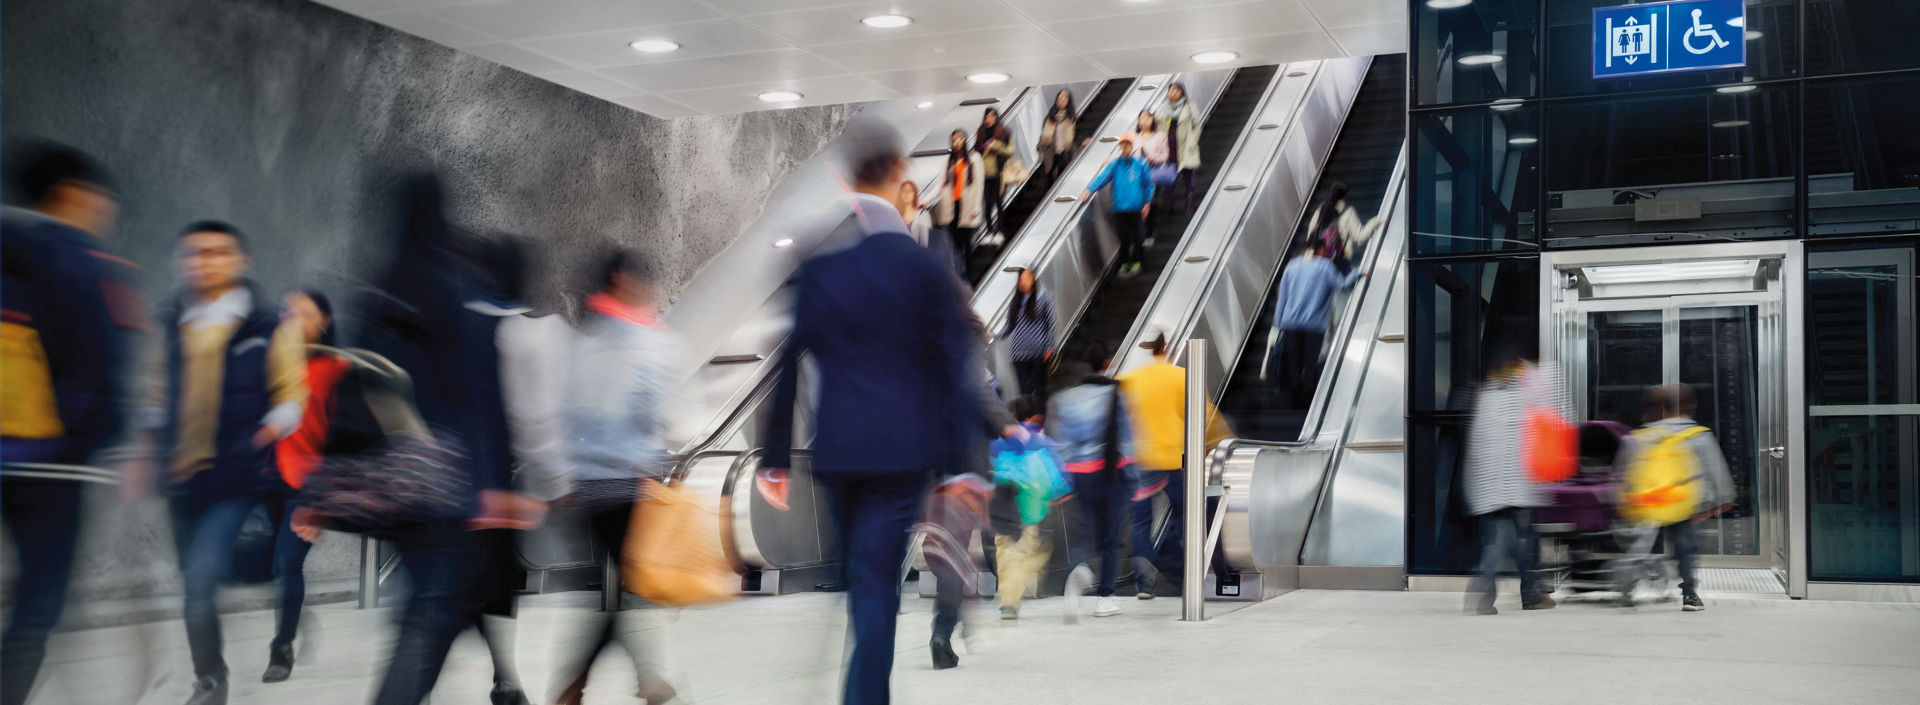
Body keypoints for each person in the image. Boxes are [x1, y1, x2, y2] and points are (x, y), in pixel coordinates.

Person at [761, 116, 979, 705]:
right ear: (900, 175)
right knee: (877, 584)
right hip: (901, 454)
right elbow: (948, 369)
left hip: (838, 452)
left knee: (865, 579)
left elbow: (787, 364)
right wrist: (959, 467)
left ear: (845, 179)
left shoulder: (821, 267)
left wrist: (775, 459)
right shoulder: (924, 268)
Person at [129, 221, 308, 705]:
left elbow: (291, 397)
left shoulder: (268, 325)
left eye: (216, 252)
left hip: (235, 479)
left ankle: (210, 683)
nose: (204, 261)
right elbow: (155, 393)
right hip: (182, 480)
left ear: (239, 261)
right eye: (194, 253)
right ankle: (211, 671)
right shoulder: (172, 321)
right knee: (195, 583)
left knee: (201, 578)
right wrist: (147, 454)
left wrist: (255, 441)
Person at [1, 142, 135, 705]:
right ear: (71, 194)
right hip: (50, 464)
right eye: (100, 196)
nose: (106, 208)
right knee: (39, 600)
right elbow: (98, 364)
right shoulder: (78, 259)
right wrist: (96, 439)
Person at [548, 248, 685, 705]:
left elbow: (564, 413)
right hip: (626, 481)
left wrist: (563, 478)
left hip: (588, 484)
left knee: (628, 589)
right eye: (640, 282)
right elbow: (658, 410)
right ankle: (597, 683)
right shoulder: (636, 339)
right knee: (635, 590)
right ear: (622, 280)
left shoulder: (583, 339)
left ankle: (619, 683)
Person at [462, 234, 571, 705]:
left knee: (448, 587)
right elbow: (535, 419)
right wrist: (556, 479)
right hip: (495, 484)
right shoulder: (529, 332)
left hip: (443, 478)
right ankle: (505, 677)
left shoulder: (453, 323)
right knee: (493, 583)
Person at [260, 290, 348, 684]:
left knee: (286, 562)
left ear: (324, 321)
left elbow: (343, 441)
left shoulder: (337, 369)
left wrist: (322, 502)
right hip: (267, 479)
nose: (293, 318)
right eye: (288, 310)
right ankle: (293, 611)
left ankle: (282, 646)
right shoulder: (270, 364)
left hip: (308, 483)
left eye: (304, 313)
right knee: (269, 567)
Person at [1117, 333, 1230, 598]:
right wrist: (1218, 442)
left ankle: (1143, 583)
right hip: (1176, 459)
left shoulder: (1130, 380)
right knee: (1183, 516)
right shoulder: (1181, 377)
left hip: (1141, 461)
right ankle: (1186, 573)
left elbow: (1117, 417)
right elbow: (1206, 415)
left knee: (1141, 521)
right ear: (1167, 349)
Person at [1613, 383, 1736, 612]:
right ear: (1691, 407)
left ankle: (1626, 589)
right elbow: (1715, 469)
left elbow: (1623, 472)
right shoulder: (1698, 435)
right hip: (1685, 503)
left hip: (1649, 502)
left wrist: (1625, 497)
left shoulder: (1640, 436)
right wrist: (1724, 497)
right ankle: (1689, 594)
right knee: (1685, 548)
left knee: (1640, 545)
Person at [1462, 345, 1559, 615]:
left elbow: (1475, 448)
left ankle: (1482, 597)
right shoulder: (1527, 396)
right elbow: (1541, 436)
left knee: (1494, 544)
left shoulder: (1485, 398)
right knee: (1524, 544)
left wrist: (1472, 491)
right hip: (1519, 487)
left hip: (1488, 490)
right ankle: (1531, 595)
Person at [1049, 341, 1135, 621]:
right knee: (1111, 538)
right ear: (1106, 363)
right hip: (1111, 474)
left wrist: (1062, 481)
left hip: (1079, 474)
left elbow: (1060, 445)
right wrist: (1136, 478)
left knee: (1083, 534)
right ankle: (1105, 599)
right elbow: (1127, 438)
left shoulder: (1065, 399)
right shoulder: (1115, 394)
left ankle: (1078, 570)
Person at [987, 396, 1065, 621]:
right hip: (1030, 508)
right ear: (1035, 417)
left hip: (1002, 507)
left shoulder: (997, 443)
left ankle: (1007, 601)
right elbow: (1054, 472)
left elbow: (987, 470)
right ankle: (1011, 599)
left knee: (1004, 553)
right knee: (1026, 551)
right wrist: (1060, 491)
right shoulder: (1042, 442)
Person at [1265, 240, 1365, 409]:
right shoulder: (1325, 266)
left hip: (1290, 325)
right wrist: (1358, 273)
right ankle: (1309, 401)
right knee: (1310, 363)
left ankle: (1294, 399)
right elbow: (1342, 286)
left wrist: (1278, 325)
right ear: (1320, 249)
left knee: (1293, 363)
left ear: (1304, 249)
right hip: (1314, 328)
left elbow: (1282, 298)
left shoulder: (1291, 266)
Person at [1080, 136, 1154, 276]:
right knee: (1124, 237)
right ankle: (1124, 262)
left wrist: (1147, 202)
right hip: (1120, 207)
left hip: (1136, 207)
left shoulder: (1140, 163)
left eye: (1128, 145)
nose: (1125, 148)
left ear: (1132, 147)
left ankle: (1138, 261)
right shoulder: (1115, 164)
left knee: (1138, 235)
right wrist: (1089, 189)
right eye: (1123, 145)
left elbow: (1148, 184)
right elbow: (1103, 177)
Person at [933, 129, 984, 278]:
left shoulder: (974, 158)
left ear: (965, 140)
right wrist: (924, 202)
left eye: (960, 139)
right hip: (951, 208)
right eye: (954, 140)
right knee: (955, 245)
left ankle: (967, 274)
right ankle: (959, 273)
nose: (957, 142)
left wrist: (977, 207)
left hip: (967, 208)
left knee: (966, 244)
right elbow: (939, 185)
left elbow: (979, 185)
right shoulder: (948, 161)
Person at [1002, 268, 1055, 403]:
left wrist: (1050, 346)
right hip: (1019, 354)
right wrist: (993, 335)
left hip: (1039, 353)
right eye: (1021, 280)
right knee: (1024, 393)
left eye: (1026, 278)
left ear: (1033, 278)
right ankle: (1026, 421)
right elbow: (1009, 326)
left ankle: (1040, 419)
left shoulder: (1045, 298)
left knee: (1039, 389)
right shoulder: (1015, 301)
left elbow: (1051, 324)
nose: (1023, 282)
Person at [1303, 182, 1382, 272]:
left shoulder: (1319, 211)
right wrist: (1375, 221)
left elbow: (1310, 235)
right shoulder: (1348, 213)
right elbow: (1360, 237)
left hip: (1310, 264)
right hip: (1333, 267)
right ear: (1344, 197)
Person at [1122, 110, 1171, 245]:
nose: (1144, 120)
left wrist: (1152, 157)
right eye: (1141, 118)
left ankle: (1149, 233)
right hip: (1135, 176)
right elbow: (1125, 153)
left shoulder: (1160, 136)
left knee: (1151, 203)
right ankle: (1137, 234)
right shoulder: (1133, 137)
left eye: (1147, 117)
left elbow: (1165, 156)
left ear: (1152, 120)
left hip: (1153, 173)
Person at [1155, 82, 1202, 213]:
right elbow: (1157, 126)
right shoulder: (1162, 109)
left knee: (1187, 175)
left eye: (1176, 90)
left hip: (1185, 147)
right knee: (1169, 175)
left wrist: (1193, 141)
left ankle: (1190, 202)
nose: (1173, 93)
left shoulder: (1189, 107)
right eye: (1171, 90)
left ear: (1182, 92)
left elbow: (1197, 126)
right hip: (1169, 147)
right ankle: (1167, 203)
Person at [974, 108, 1015, 236]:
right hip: (985, 174)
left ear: (996, 117)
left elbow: (1010, 151)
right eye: (987, 117)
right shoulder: (981, 132)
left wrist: (996, 145)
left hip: (999, 173)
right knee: (987, 203)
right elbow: (976, 152)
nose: (989, 119)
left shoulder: (1004, 133)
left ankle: (1001, 229)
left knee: (999, 202)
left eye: (992, 116)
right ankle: (990, 230)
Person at [1038, 89, 1076, 184]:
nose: (1062, 100)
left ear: (1068, 101)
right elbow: (1043, 135)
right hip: (1050, 152)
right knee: (1049, 179)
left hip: (1065, 153)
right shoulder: (1050, 118)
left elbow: (1076, 136)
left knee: (1062, 179)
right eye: (1060, 98)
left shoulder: (1071, 119)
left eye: (1065, 98)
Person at [896, 179, 932, 248]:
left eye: (909, 191)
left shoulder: (923, 215)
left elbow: (925, 244)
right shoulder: (896, 216)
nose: (906, 194)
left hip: (916, 255)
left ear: (914, 194)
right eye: (904, 191)